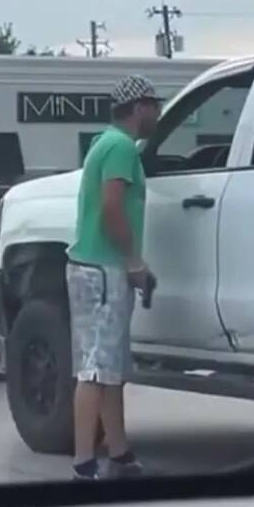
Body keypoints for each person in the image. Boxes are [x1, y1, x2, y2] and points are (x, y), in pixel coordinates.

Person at [66, 74, 161, 480]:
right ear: (138, 107)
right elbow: (111, 210)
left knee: (111, 369)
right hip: (104, 270)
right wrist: (134, 262)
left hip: (91, 268)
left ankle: (118, 452)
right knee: (94, 368)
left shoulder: (103, 142)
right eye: (154, 104)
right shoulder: (122, 148)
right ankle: (84, 462)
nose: (158, 111)